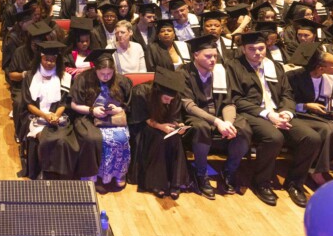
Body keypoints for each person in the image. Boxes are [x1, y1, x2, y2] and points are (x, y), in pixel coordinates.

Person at [227, 31, 321, 207]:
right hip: (252, 113)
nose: (257, 53)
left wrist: (287, 112)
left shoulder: (274, 66)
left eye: (261, 48)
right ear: (243, 49)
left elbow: (287, 93)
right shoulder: (233, 67)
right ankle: (261, 182)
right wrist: (268, 114)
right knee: (273, 137)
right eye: (252, 49)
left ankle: (294, 183)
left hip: (278, 112)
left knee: (311, 138)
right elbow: (237, 100)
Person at [180, 35, 251, 198]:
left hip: (220, 114)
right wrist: (217, 121)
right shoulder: (184, 72)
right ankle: (201, 174)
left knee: (243, 128)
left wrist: (227, 122)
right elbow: (189, 106)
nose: (213, 60)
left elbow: (229, 102)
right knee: (201, 128)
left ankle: (229, 171)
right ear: (195, 55)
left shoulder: (221, 71)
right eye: (208, 56)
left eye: (215, 56)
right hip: (197, 116)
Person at [21, 41, 101, 180]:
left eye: (53, 60)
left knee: (64, 141)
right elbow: (29, 104)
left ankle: (63, 175)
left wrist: (55, 116)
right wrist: (45, 116)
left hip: (59, 117)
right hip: (36, 117)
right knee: (47, 140)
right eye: (47, 59)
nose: (50, 63)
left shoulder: (64, 77)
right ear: (41, 58)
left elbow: (64, 102)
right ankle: (46, 172)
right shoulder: (30, 76)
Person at [286, 44, 333, 186]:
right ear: (321, 68)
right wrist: (306, 105)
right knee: (328, 130)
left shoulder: (329, 78)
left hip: (318, 114)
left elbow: (330, 99)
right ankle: (316, 171)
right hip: (298, 113)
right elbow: (285, 100)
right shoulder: (294, 77)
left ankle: (330, 169)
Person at [69, 50, 131, 190]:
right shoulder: (83, 78)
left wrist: (119, 109)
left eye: (109, 74)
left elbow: (128, 104)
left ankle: (116, 174)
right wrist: (92, 110)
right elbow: (73, 104)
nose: (106, 77)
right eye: (102, 74)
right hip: (87, 116)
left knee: (121, 137)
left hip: (112, 118)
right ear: (95, 70)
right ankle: (92, 175)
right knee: (93, 139)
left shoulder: (121, 80)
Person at [132, 69, 190, 199]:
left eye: (171, 99)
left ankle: (176, 182)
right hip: (145, 126)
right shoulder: (141, 92)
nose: (169, 102)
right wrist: (159, 126)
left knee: (175, 137)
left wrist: (178, 126)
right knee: (158, 137)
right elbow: (142, 118)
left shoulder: (174, 97)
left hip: (165, 125)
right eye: (166, 98)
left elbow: (175, 117)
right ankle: (157, 183)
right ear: (158, 93)